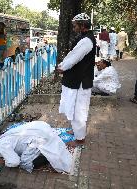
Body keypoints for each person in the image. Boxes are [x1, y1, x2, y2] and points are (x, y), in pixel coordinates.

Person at [56, 13, 96, 147]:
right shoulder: (84, 38)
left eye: (75, 25)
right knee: (74, 106)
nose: (73, 28)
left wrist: (63, 67)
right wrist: (63, 65)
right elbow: (72, 55)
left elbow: (74, 57)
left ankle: (80, 139)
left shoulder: (86, 40)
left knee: (79, 109)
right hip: (79, 79)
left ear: (82, 25)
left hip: (81, 81)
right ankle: (75, 131)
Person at [0, 121, 73, 173]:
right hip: (41, 127)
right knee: (52, 144)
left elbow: (14, 162)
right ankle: (44, 151)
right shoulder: (3, 137)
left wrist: (3, 162)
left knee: (24, 163)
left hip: (38, 139)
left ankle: (46, 159)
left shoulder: (1, 146)